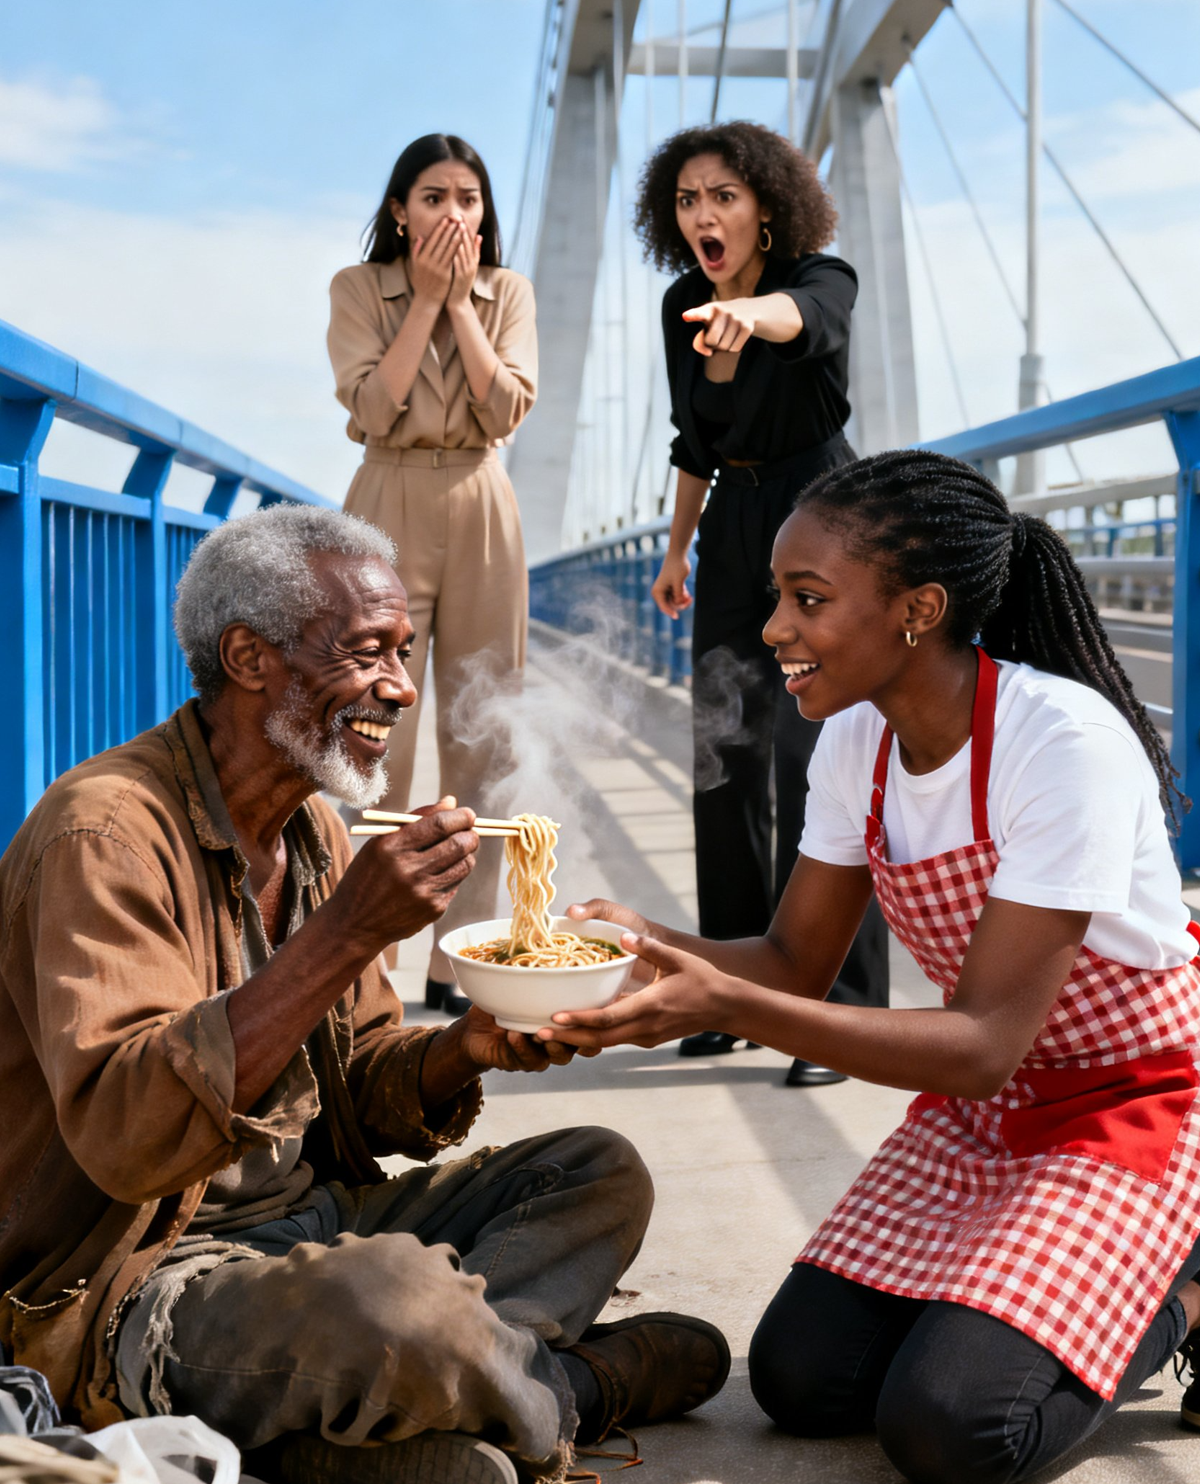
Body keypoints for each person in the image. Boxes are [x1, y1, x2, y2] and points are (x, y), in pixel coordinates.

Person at [0, 506, 729, 1484]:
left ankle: (424, 1395)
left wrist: (467, 1047)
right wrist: (348, 932)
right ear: (250, 658)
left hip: (309, 1224)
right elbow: (128, 1140)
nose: (399, 687)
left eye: (407, 652)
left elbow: (355, 1100)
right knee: (405, 1306)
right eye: (367, 654)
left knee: (597, 1174)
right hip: (146, 1280)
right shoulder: (105, 836)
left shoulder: (313, 831)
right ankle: (566, 1394)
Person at [541, 451, 1200, 1482]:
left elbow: (981, 1043)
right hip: (987, 1115)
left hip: (1129, 1111)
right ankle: (1016, 1293)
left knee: (953, 1427)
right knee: (803, 1385)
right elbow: (795, 961)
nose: (772, 630)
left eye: (808, 600)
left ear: (918, 610)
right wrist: (647, 950)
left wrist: (727, 1006)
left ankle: (1184, 1286)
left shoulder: (1058, 742)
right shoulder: (859, 745)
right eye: (775, 597)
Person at [633, 120, 887, 1083]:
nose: (705, 214)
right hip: (732, 527)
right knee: (723, 755)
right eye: (689, 199)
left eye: (724, 196)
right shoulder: (679, 304)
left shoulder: (825, 277)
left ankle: (839, 1006)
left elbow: (808, 324)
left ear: (767, 209)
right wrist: (675, 551)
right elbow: (692, 441)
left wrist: (754, 316)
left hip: (823, 520)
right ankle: (731, 991)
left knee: (817, 756)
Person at [327, 132, 536, 1017]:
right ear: (399, 210)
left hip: (483, 498)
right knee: (372, 732)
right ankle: (359, 951)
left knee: (481, 734)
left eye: (471, 199)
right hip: (387, 496)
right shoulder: (356, 289)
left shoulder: (509, 293)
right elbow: (372, 405)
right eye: (436, 197)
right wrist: (423, 302)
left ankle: (462, 955)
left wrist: (462, 308)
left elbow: (509, 405)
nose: (456, 214)